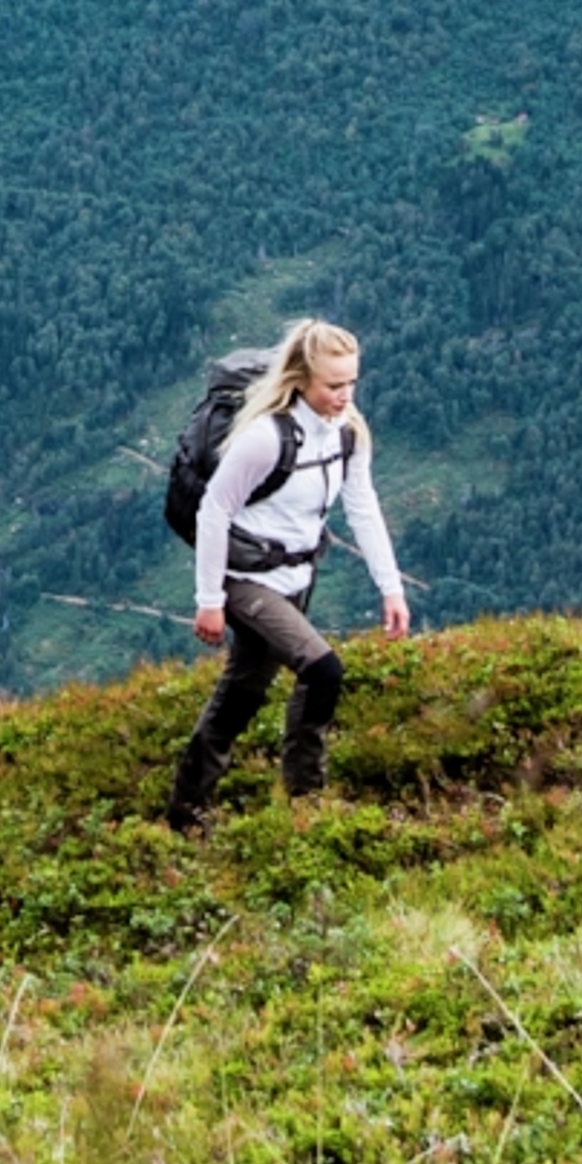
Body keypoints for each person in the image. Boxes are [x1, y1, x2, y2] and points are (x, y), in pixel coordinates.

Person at [169, 317, 410, 833]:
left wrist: (391, 587)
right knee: (324, 670)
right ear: (301, 378)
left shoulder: (348, 433)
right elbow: (214, 510)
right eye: (333, 385)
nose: (345, 396)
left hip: (297, 577)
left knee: (242, 694)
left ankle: (186, 814)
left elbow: (362, 506)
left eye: (351, 383)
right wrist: (209, 599)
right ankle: (306, 801)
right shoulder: (264, 437)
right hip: (245, 577)